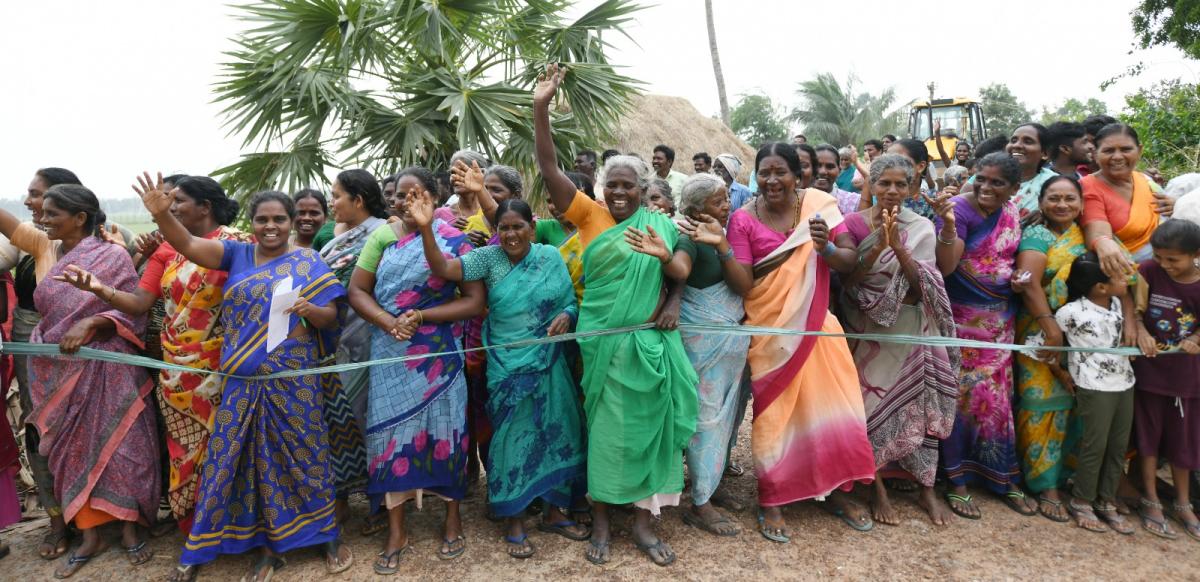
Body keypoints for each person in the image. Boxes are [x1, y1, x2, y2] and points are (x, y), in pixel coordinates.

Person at [132, 182, 353, 581]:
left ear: (289, 223)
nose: (271, 226)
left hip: (292, 380)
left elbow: (331, 318)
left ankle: (327, 537)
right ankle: (243, 547)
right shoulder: (235, 254)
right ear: (250, 223)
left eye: (279, 219)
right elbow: (186, 243)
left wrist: (310, 310)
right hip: (242, 380)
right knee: (233, 460)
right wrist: (162, 214)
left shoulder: (308, 261)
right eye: (262, 219)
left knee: (306, 458)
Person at [536, 65, 698, 567]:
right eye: (613, 185)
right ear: (602, 187)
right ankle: (603, 522)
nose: (619, 193)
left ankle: (645, 524)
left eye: (629, 186)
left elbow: (682, 270)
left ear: (645, 188)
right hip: (602, 342)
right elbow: (548, 170)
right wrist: (541, 108)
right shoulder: (588, 214)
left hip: (650, 345)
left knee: (654, 429)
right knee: (605, 431)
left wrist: (668, 287)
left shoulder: (659, 224)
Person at [54, 176, 246, 547]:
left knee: (226, 446)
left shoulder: (238, 244)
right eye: (168, 206)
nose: (171, 210)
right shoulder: (165, 253)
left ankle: (234, 529)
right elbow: (141, 304)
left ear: (205, 208)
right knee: (184, 452)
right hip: (176, 371)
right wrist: (99, 289)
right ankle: (196, 531)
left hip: (225, 366)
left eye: (179, 204)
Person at [411, 191, 589, 559]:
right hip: (507, 365)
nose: (510, 235)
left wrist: (569, 315)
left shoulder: (549, 256)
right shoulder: (487, 259)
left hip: (550, 359)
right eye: (503, 228)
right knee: (509, 437)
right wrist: (427, 228)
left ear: (532, 227)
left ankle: (554, 511)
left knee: (558, 429)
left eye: (518, 227)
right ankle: (515, 517)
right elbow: (444, 269)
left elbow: (569, 299)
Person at [0, 183, 161, 579]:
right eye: (43, 213)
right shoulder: (45, 251)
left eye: (52, 213)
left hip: (110, 366)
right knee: (70, 450)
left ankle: (129, 527)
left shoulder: (113, 255)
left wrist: (96, 322)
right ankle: (89, 533)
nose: (42, 218)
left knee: (126, 446)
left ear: (79, 218)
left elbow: (133, 312)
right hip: (58, 369)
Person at [726, 142, 876, 542]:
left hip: (817, 325)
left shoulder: (820, 205)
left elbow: (849, 260)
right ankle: (773, 496)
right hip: (770, 331)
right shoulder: (741, 219)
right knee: (776, 416)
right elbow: (741, 283)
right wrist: (720, 247)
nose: (772, 181)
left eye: (780, 172)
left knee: (833, 408)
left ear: (798, 175)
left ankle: (840, 489)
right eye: (764, 173)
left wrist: (825, 245)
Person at [347, 166, 484, 571]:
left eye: (416, 194)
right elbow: (357, 290)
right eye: (400, 195)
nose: (407, 202)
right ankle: (396, 528)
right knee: (390, 435)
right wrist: (388, 322)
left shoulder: (456, 241)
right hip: (392, 350)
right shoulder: (382, 239)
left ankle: (452, 519)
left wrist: (423, 316)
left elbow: (474, 301)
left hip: (438, 356)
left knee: (447, 431)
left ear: (434, 197)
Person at [836, 154, 960, 527]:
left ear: (911, 189)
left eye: (899, 184)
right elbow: (849, 283)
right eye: (884, 183)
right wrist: (877, 247)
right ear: (871, 185)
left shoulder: (921, 226)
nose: (891, 191)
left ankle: (926, 489)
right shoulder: (853, 224)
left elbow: (924, 286)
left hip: (912, 328)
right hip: (868, 331)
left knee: (919, 408)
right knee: (868, 408)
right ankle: (878, 490)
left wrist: (899, 247)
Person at [932, 152, 1036, 519]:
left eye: (996, 182)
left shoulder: (1012, 214)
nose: (985, 187)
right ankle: (956, 480)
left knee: (999, 401)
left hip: (1001, 322)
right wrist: (946, 225)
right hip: (962, 322)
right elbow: (947, 266)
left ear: (1014, 189)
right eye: (981, 178)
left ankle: (1001, 476)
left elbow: (1008, 256)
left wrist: (1018, 280)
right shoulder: (959, 210)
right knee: (963, 399)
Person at [664, 174, 752, 537]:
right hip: (703, 344)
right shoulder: (691, 237)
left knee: (726, 418)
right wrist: (668, 257)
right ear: (698, 209)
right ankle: (700, 503)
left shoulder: (724, 234)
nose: (727, 205)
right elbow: (681, 268)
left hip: (729, 345)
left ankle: (712, 484)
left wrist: (722, 243)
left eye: (727, 198)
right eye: (718, 201)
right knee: (705, 419)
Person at [6, 167, 81, 561]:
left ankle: (93, 520)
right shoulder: (35, 244)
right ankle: (56, 521)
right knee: (40, 430)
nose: (29, 203)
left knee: (86, 425)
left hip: (86, 348)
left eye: (37, 196)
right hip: (34, 346)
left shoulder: (109, 238)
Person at [1011, 175, 1089, 524]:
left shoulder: (1091, 237)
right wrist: (1050, 327)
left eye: (1070, 199)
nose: (1062, 205)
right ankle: (1045, 486)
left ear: (1082, 204)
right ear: (1041, 202)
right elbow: (1028, 285)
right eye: (1054, 198)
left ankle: (1067, 476)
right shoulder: (1037, 235)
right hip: (1039, 332)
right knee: (1039, 405)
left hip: (1085, 335)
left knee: (1074, 403)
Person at [319, 169, 390, 531]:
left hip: (372, 341)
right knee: (339, 420)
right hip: (336, 344)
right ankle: (342, 497)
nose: (332, 202)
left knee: (369, 419)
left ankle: (379, 503)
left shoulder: (383, 233)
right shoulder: (337, 239)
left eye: (336, 196)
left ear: (357, 200)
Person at [1054, 252, 1136, 534]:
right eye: (1120, 277)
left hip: (1125, 383)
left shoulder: (1118, 302)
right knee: (1094, 445)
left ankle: (1107, 500)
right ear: (1100, 287)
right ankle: (1081, 500)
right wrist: (1061, 371)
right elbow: (1045, 343)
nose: (1127, 280)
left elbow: (1130, 306)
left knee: (1118, 447)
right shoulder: (1071, 312)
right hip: (1094, 387)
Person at [1132, 219, 1200, 540]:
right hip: (1150, 372)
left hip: (1186, 378)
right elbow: (1135, 307)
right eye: (1160, 257)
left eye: (1173, 259)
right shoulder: (1148, 270)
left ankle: (1183, 503)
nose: (1165, 265)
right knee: (1148, 438)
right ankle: (1150, 498)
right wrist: (1142, 332)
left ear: (1195, 255)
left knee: (1183, 441)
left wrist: (1195, 339)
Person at [1082, 123, 1175, 279]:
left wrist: (1176, 205)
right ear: (1096, 155)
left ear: (1139, 150)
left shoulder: (1145, 180)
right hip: (1127, 279)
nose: (1117, 156)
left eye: (1126, 149)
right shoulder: (1087, 186)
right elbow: (1096, 228)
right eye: (1108, 150)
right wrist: (1102, 242)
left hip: (1174, 271)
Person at [1004, 123, 1060, 217]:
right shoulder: (988, 175)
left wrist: (1046, 216)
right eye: (1013, 140)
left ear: (1045, 153)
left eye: (1028, 141)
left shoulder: (1055, 183)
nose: (1017, 145)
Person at [882, 139, 939, 220]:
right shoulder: (881, 197)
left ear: (921, 166)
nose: (891, 167)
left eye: (899, 161)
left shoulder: (935, 201)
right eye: (886, 161)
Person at [813, 145, 861, 215]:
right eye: (817, 166)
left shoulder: (854, 202)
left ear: (839, 171)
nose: (822, 171)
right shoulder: (797, 199)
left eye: (830, 167)